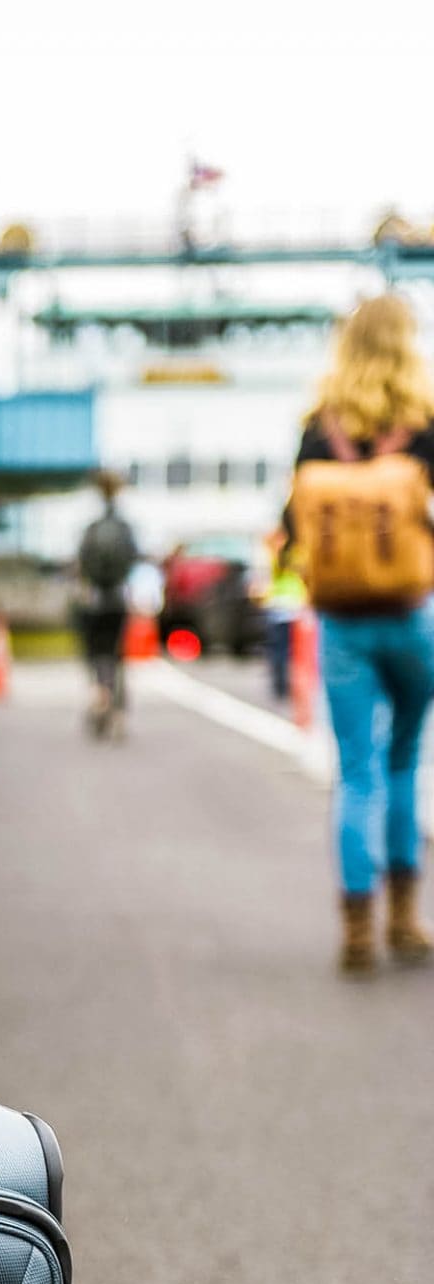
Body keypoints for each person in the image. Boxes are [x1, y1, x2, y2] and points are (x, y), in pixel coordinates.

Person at [286, 294, 434, 974]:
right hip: (413, 617)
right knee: (404, 758)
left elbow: (293, 530)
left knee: (358, 770)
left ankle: (356, 930)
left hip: (343, 622)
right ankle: (406, 919)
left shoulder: (321, 428)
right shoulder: (423, 423)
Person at [74, 474, 138, 738]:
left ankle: (100, 693)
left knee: (95, 653)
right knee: (117, 653)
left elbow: (82, 562)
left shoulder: (91, 529)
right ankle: (119, 708)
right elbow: (132, 557)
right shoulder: (124, 529)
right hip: (118, 598)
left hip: (95, 600)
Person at [262, 534, 307, 703]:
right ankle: (286, 686)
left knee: (278, 650)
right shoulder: (296, 555)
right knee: (289, 651)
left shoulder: (276, 556)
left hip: (279, 606)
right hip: (293, 606)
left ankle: (281, 686)